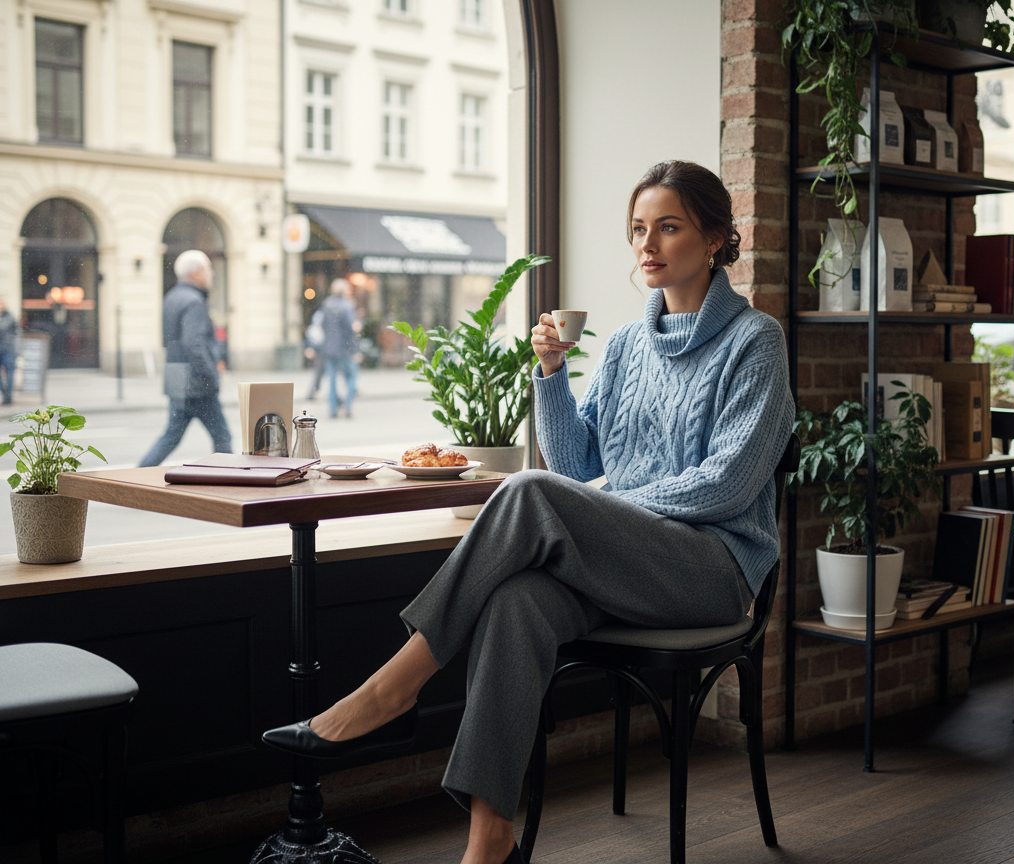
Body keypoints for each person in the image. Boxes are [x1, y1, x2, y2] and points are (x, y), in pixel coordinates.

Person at [261, 161, 794, 864]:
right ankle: (491, 844)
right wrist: (550, 375)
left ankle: (392, 688)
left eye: (669, 226)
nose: (648, 244)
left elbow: (725, 488)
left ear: (719, 236)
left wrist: (603, 508)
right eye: (639, 228)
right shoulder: (630, 345)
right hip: (627, 563)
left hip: (712, 570)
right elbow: (574, 467)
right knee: (519, 599)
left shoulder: (756, 342)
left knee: (526, 493)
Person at [139, 250, 233, 466]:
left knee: (170, 437)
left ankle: (134, 479)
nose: (212, 274)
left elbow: (174, 341)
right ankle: (229, 483)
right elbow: (194, 344)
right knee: (222, 438)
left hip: (177, 379)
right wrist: (211, 375)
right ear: (197, 273)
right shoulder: (194, 301)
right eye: (209, 269)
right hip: (198, 384)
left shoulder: (172, 297)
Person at [319, 279, 361, 418]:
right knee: (350, 376)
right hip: (344, 348)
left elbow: (322, 325)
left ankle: (333, 409)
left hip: (328, 348)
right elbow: (350, 330)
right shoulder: (347, 306)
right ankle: (348, 407)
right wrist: (355, 350)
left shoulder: (326, 304)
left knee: (331, 380)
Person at [0, 298, 20, 405]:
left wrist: (17, 350)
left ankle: (8, 396)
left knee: (10, 374)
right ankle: (5, 393)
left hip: (8, 349)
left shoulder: (9, 318)